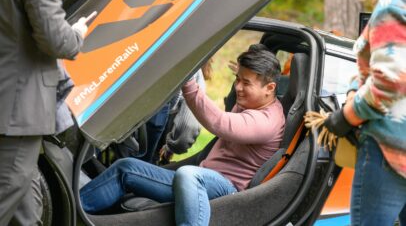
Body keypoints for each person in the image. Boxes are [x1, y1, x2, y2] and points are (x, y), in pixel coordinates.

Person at [80, 47, 285, 225]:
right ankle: (68, 211)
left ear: (270, 88)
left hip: (226, 190)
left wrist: (188, 81)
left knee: (190, 173)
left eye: (246, 83)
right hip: (199, 181)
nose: (238, 87)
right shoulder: (249, 103)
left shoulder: (268, 121)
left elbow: (220, 123)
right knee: (126, 168)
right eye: (237, 79)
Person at [0, 0, 91, 224]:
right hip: (18, 110)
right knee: (8, 194)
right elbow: (55, 39)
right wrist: (77, 34)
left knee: (25, 212)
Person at [322, 0, 406, 225]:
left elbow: (389, 82)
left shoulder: (395, 3)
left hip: (389, 147)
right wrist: (352, 89)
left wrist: (346, 116)